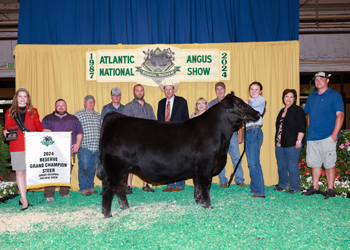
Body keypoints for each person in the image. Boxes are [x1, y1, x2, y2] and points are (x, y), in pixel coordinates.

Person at [3, 87, 49, 210]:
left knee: (28, 172)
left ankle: (22, 197)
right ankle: (24, 199)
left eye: (25, 96)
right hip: (16, 145)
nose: (23, 99)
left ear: (28, 98)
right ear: (16, 98)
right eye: (20, 96)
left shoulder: (34, 111)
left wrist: (44, 130)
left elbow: (38, 126)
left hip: (30, 145)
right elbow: (7, 128)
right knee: (19, 171)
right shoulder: (10, 112)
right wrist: (5, 132)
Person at [302, 72, 344, 199]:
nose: (318, 81)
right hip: (313, 136)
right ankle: (315, 187)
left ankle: (330, 189)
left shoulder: (335, 96)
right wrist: (309, 132)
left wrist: (334, 135)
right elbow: (308, 115)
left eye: (321, 79)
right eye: (316, 79)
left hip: (328, 136)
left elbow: (340, 115)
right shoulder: (311, 97)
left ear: (327, 80)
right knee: (314, 163)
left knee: (329, 163)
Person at [41, 99, 83, 202]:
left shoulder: (74, 119)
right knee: (51, 172)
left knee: (66, 172)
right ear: (55, 107)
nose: (61, 107)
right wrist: (42, 131)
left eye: (63, 105)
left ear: (66, 106)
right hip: (51, 152)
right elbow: (40, 133)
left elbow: (79, 132)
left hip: (68, 151)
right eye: (58, 105)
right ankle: (49, 194)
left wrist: (77, 144)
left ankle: (64, 192)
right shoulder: (47, 118)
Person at [208, 82, 245, 188]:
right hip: (218, 136)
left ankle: (239, 180)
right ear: (215, 91)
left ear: (224, 90)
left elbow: (238, 118)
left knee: (236, 157)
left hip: (232, 134)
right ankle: (223, 181)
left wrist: (240, 132)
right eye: (217, 89)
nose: (220, 91)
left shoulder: (231, 102)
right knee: (220, 158)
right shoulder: (211, 104)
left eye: (221, 89)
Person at [123, 84, 156, 194]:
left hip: (147, 140)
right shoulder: (128, 107)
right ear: (133, 92)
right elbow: (125, 125)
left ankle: (145, 184)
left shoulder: (149, 107)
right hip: (133, 140)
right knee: (130, 163)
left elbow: (154, 123)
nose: (139, 92)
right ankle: (129, 186)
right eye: (137, 90)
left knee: (146, 162)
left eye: (141, 90)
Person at [157, 79, 189, 192]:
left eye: (170, 88)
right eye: (166, 89)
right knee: (167, 160)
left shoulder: (182, 101)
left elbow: (186, 119)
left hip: (179, 136)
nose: (168, 91)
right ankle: (169, 184)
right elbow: (159, 121)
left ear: (174, 90)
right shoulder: (160, 103)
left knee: (180, 160)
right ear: (164, 91)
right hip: (165, 137)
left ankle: (180, 184)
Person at [274, 89, 306, 194]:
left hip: (293, 142)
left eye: (291, 97)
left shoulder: (298, 110)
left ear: (294, 99)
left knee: (292, 165)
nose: (288, 99)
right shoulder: (282, 111)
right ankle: (282, 185)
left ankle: (294, 187)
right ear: (283, 98)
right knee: (281, 164)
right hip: (279, 143)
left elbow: (302, 126)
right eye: (287, 96)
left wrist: (299, 140)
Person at [74, 95, 101, 196]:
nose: (91, 103)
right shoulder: (78, 114)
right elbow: (74, 129)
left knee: (93, 168)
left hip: (96, 147)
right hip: (85, 146)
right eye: (89, 101)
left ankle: (91, 186)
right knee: (84, 167)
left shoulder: (98, 115)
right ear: (84, 103)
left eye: (93, 101)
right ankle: (84, 188)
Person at [245, 81, 266, 198]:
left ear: (260, 91)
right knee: (251, 163)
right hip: (248, 132)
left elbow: (255, 101)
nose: (253, 91)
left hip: (255, 131)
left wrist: (248, 101)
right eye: (251, 89)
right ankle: (254, 188)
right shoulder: (249, 105)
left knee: (254, 163)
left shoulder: (260, 100)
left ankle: (259, 191)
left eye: (256, 89)